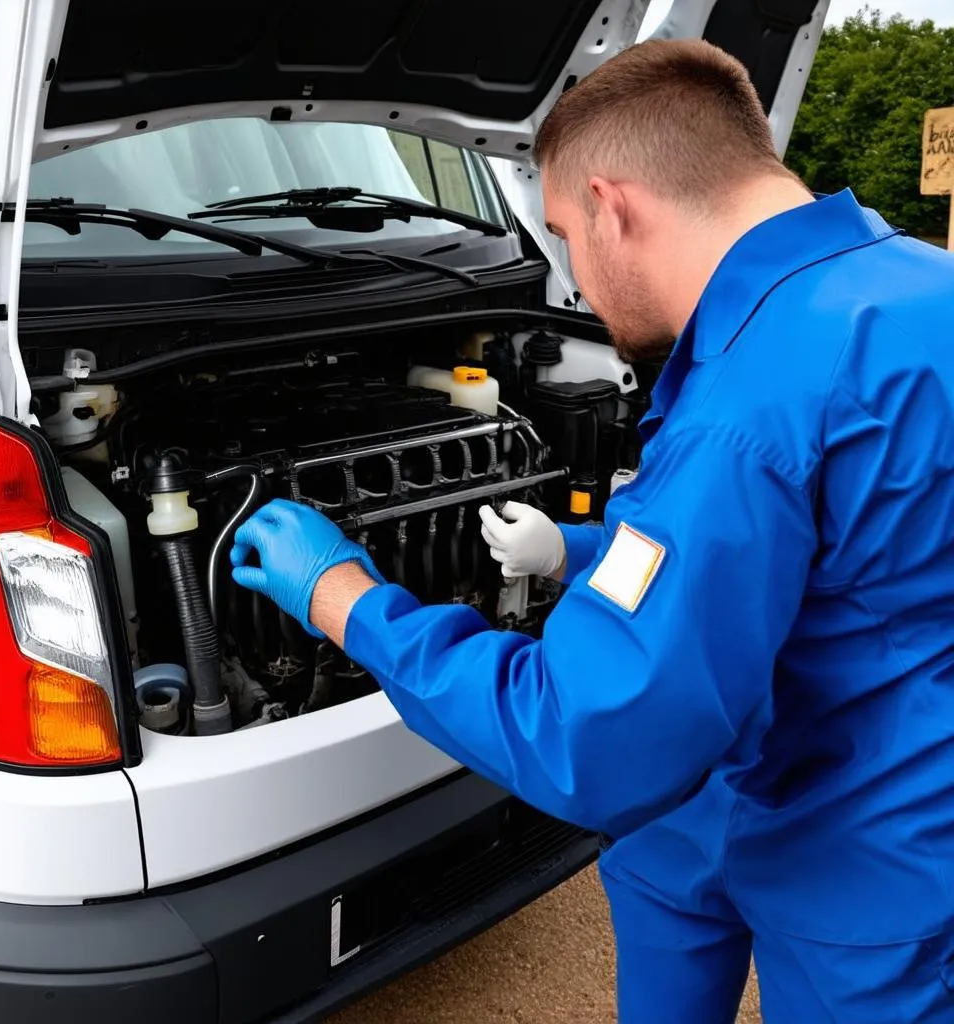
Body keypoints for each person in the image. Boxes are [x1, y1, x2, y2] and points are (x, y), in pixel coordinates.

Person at [229, 38, 954, 1024]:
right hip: (845, 756)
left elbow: (590, 733)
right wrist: (584, 549)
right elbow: (804, 552)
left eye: (564, 233)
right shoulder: (917, 285)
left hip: (861, 856)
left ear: (614, 206)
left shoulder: (749, 404)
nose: (570, 276)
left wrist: (345, 600)